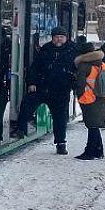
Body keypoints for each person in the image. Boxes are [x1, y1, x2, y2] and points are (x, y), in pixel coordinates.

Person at [12, 26, 76, 155]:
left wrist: (74, 84)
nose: (59, 39)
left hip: (61, 90)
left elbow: (79, 70)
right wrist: (31, 82)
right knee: (27, 104)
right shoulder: (45, 50)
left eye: (61, 37)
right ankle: (21, 129)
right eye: (56, 37)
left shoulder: (73, 50)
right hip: (42, 86)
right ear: (52, 38)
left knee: (60, 117)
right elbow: (35, 67)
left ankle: (61, 143)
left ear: (66, 38)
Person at [73, 42, 105, 160]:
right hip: (103, 97)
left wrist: (78, 93)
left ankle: (90, 151)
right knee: (95, 125)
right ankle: (98, 150)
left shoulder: (83, 65)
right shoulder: (102, 64)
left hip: (89, 98)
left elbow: (80, 84)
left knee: (91, 125)